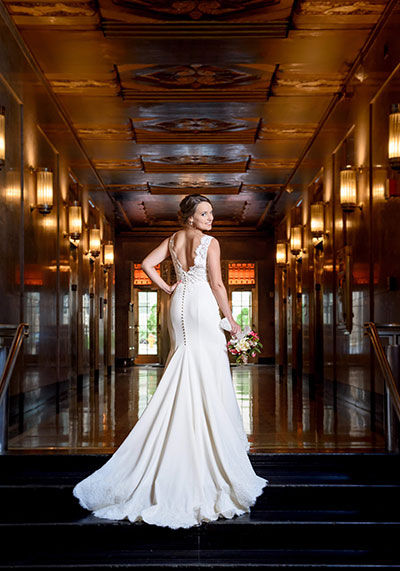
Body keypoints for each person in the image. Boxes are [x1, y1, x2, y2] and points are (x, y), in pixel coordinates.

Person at [72, 194, 269, 529]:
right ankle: (200, 437)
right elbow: (218, 283)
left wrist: (167, 287)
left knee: (184, 359)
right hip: (201, 302)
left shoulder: (172, 239)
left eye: (211, 213)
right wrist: (231, 319)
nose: (210, 218)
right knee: (205, 363)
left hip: (178, 302)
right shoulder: (210, 242)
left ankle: (181, 429)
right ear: (190, 218)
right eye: (204, 213)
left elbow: (146, 264)